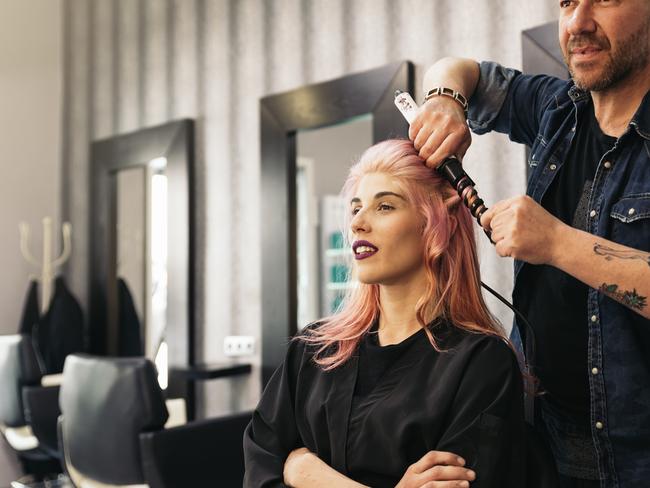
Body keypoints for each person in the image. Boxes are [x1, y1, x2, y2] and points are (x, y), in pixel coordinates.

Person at [409, 1, 650, 486]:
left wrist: (558, 242)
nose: (578, 23)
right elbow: (461, 71)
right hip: (541, 440)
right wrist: (443, 100)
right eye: (565, 2)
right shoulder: (555, 109)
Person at [243, 139, 526, 487]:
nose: (358, 224)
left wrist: (306, 472)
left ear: (439, 223)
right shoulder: (313, 350)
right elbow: (260, 467)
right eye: (356, 208)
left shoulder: (482, 364)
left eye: (385, 206)